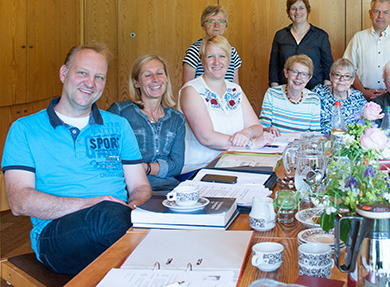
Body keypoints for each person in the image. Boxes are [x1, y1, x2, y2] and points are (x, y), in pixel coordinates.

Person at [1, 44, 151, 274]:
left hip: (119, 223)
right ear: (64, 74)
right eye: (82, 73)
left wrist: (132, 210)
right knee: (107, 217)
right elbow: (20, 202)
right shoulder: (24, 129)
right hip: (56, 233)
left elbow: (140, 186)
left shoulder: (119, 125)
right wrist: (91, 204)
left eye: (99, 77)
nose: (90, 83)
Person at [179, 36, 273, 172]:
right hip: (200, 168)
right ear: (202, 60)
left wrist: (247, 132)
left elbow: (257, 126)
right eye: (210, 56)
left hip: (234, 162)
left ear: (229, 60)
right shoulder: (191, 90)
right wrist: (250, 144)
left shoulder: (235, 89)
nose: (217, 62)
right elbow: (206, 137)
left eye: (222, 56)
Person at [108, 54, 186, 192]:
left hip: (168, 190)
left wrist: (145, 167)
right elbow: (109, 158)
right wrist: (153, 168)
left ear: (166, 78)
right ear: (136, 82)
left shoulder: (177, 119)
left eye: (159, 73)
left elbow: (176, 165)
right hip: (130, 189)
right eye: (147, 75)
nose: (155, 79)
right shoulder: (120, 113)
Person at [343, 0, 390, 101]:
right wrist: (363, 91)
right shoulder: (358, 38)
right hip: (363, 97)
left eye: (385, 12)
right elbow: (347, 70)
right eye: (376, 11)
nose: (380, 16)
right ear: (370, 14)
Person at [268, 0, 334, 90]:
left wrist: (325, 90)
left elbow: (328, 65)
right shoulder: (280, 35)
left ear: (307, 10)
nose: (297, 12)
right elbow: (274, 65)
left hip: (314, 91)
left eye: (301, 8)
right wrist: (275, 89)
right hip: (285, 90)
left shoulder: (320, 36)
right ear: (288, 12)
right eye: (293, 8)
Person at [261, 54, 321, 134]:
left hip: (301, 145)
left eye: (304, 74)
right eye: (294, 72)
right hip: (276, 144)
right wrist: (268, 130)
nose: (298, 78)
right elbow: (262, 128)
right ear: (286, 73)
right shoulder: (272, 94)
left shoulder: (314, 99)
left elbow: (315, 135)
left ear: (308, 78)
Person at [182, 5, 242, 84]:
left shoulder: (232, 51)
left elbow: (235, 84)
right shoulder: (195, 50)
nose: (216, 25)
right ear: (203, 25)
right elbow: (187, 85)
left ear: (226, 26)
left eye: (221, 21)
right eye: (211, 21)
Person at [313, 58, 367, 135]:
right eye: (337, 75)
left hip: (349, 144)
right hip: (321, 142)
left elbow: (364, 128)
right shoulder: (319, 93)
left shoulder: (358, 99)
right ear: (331, 77)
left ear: (352, 80)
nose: (342, 79)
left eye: (347, 76)